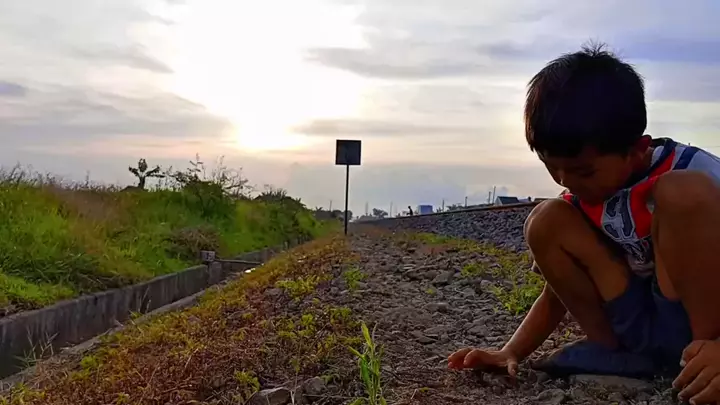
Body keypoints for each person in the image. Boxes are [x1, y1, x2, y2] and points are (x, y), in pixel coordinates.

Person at [448, 43, 720, 405]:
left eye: (583, 171)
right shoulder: (581, 197)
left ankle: (706, 355)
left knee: (682, 192)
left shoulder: (694, 171)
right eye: (552, 167)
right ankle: (613, 351)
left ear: (637, 150)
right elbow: (557, 290)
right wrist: (511, 350)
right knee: (545, 219)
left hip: (695, 318)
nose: (566, 181)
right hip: (634, 326)